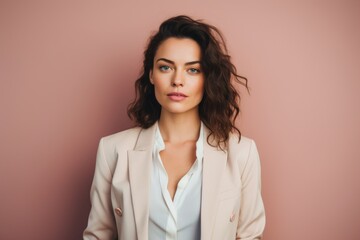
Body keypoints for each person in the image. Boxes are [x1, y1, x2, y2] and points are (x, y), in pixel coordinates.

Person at [83, 15, 265, 240]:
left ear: (207, 79)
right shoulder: (113, 150)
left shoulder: (242, 153)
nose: (177, 80)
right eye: (166, 67)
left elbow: (249, 236)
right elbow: (98, 236)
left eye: (193, 70)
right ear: (151, 74)